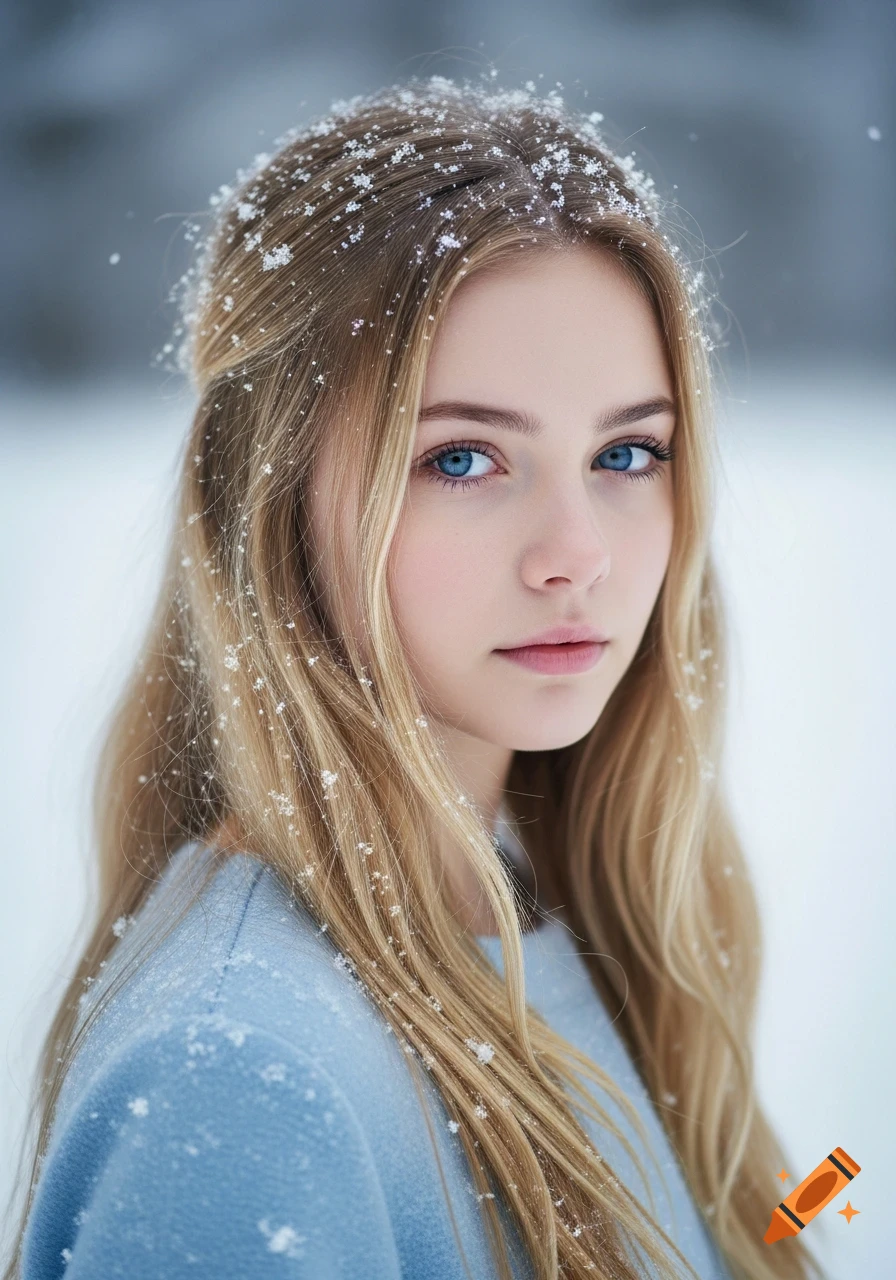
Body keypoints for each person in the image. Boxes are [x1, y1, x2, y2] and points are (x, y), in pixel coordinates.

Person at [4, 76, 827, 1280]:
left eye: (625, 451)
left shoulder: (564, 913)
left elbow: (748, 1231)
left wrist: (813, 1211)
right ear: (268, 492)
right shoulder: (242, 1079)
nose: (577, 556)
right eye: (460, 456)